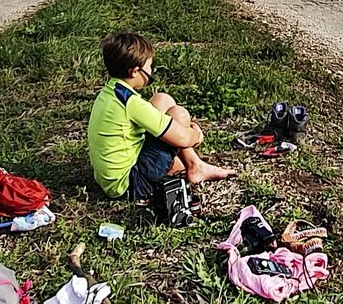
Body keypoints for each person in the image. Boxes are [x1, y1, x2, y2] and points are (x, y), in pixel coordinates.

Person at [87, 30, 234, 201]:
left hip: (112, 179)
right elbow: (183, 138)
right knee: (179, 115)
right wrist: (196, 134)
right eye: (150, 66)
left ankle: (194, 165)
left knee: (161, 100)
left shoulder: (112, 91)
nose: (151, 70)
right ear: (135, 71)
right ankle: (194, 167)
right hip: (130, 185)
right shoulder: (131, 103)